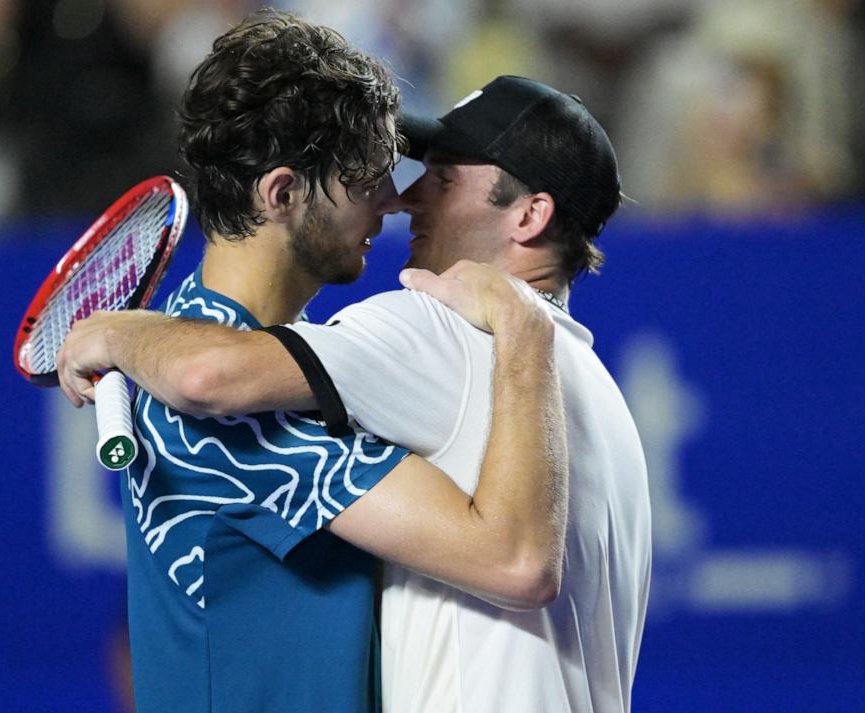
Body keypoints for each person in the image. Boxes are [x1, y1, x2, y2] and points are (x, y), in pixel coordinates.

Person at [61, 73, 650, 713]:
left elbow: (206, 375)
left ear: (531, 215)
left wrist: (119, 330)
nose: (407, 198)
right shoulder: (599, 393)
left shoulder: (439, 330)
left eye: (446, 180)